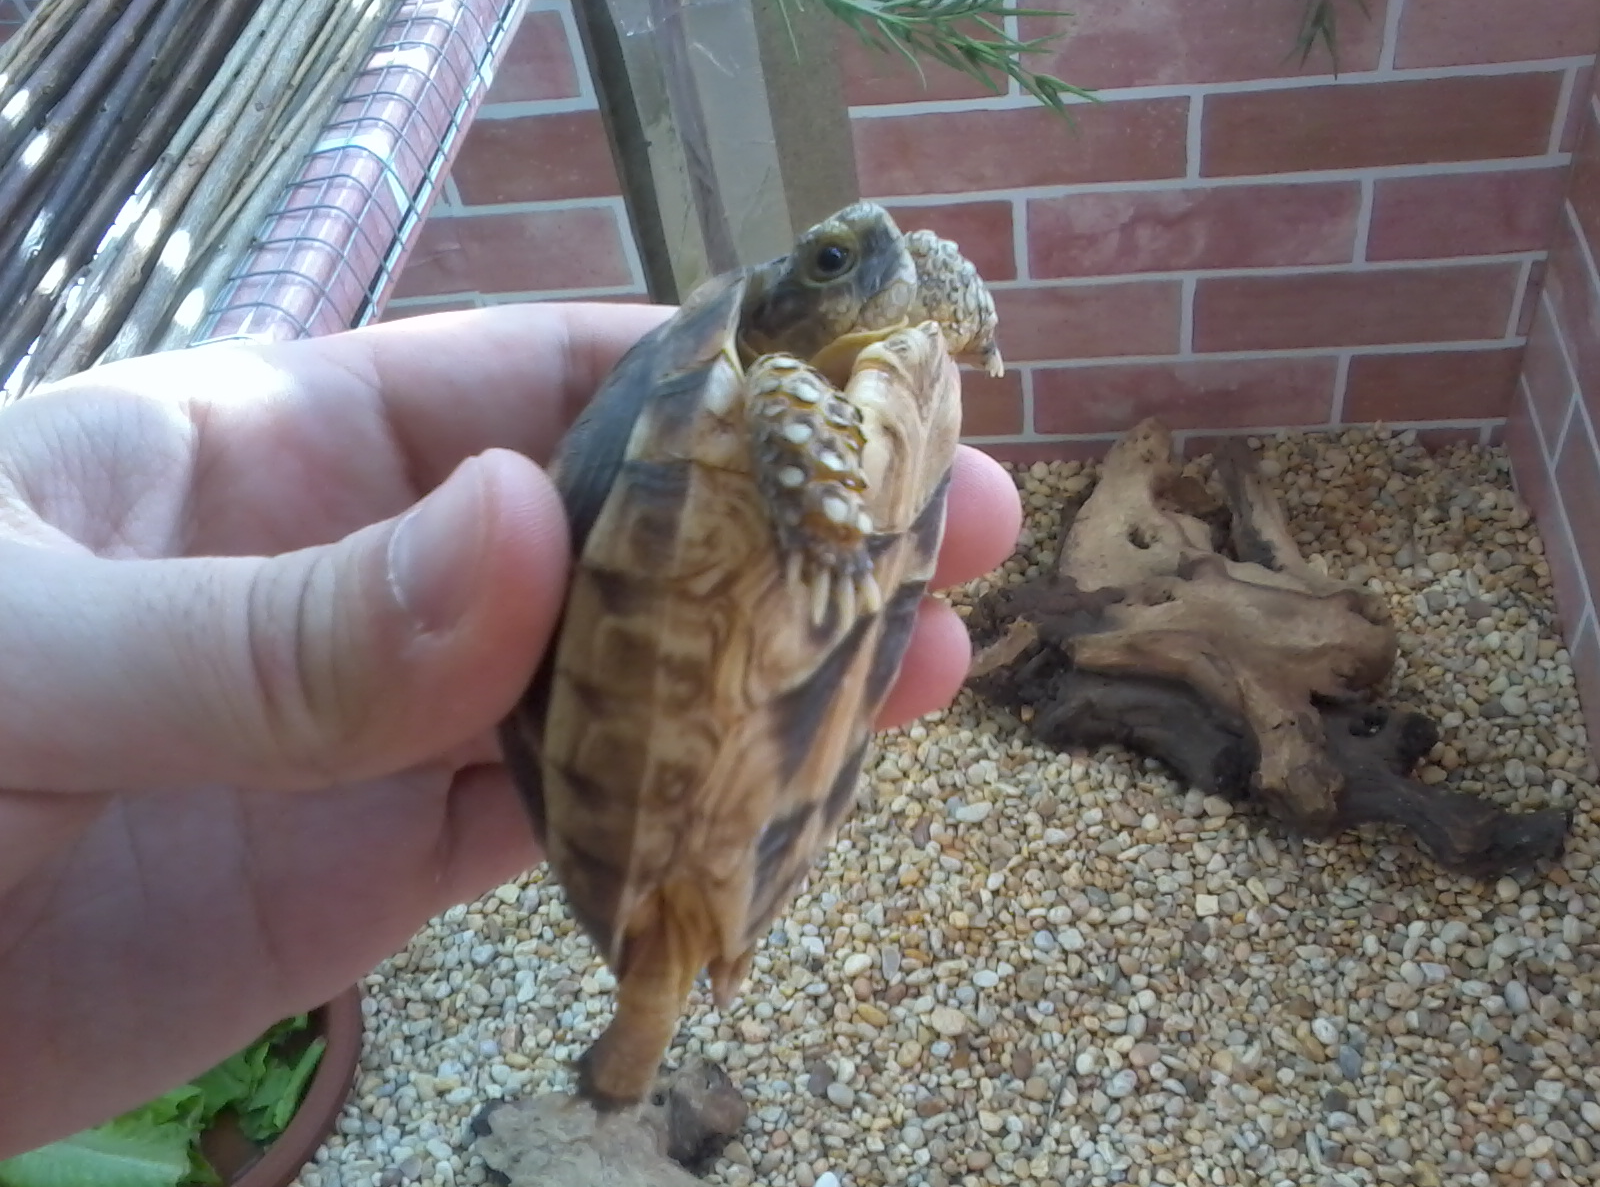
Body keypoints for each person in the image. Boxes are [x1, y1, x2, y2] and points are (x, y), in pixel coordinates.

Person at [0, 302, 1022, 1155]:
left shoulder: (856, 367)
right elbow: (778, 414)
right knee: (668, 926)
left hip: (750, 694)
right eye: (829, 268)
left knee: (682, 918)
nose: (871, 270)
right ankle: (626, 1063)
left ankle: (631, 1054)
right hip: (663, 661)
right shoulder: (774, 386)